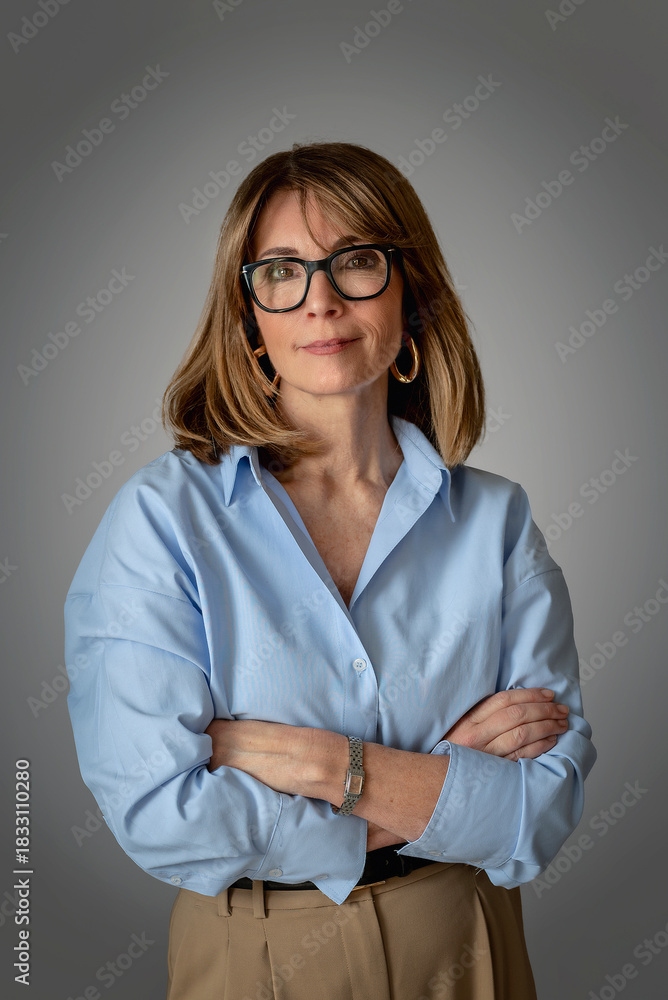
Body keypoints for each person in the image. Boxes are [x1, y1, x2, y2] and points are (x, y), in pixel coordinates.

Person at [64, 140, 596, 1000]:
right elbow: (166, 820)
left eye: (355, 262)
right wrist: (435, 782)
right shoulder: (164, 518)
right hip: (254, 961)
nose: (320, 301)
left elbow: (540, 810)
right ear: (248, 319)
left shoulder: (497, 521)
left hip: (468, 951)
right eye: (281, 271)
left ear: (409, 291)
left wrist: (320, 766)